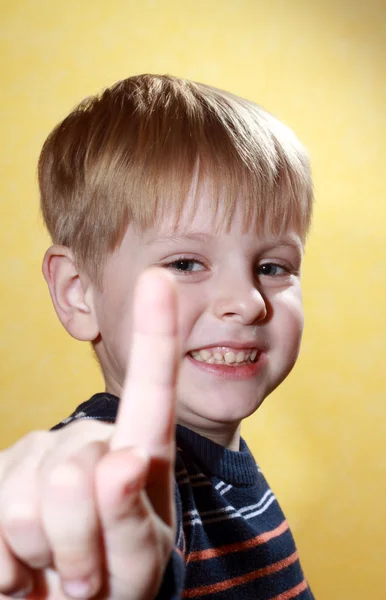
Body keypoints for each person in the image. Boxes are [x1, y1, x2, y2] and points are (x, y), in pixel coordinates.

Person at [0, 74, 315, 599]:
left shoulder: (217, 465)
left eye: (273, 266)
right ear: (80, 293)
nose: (248, 300)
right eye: (187, 262)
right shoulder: (135, 484)